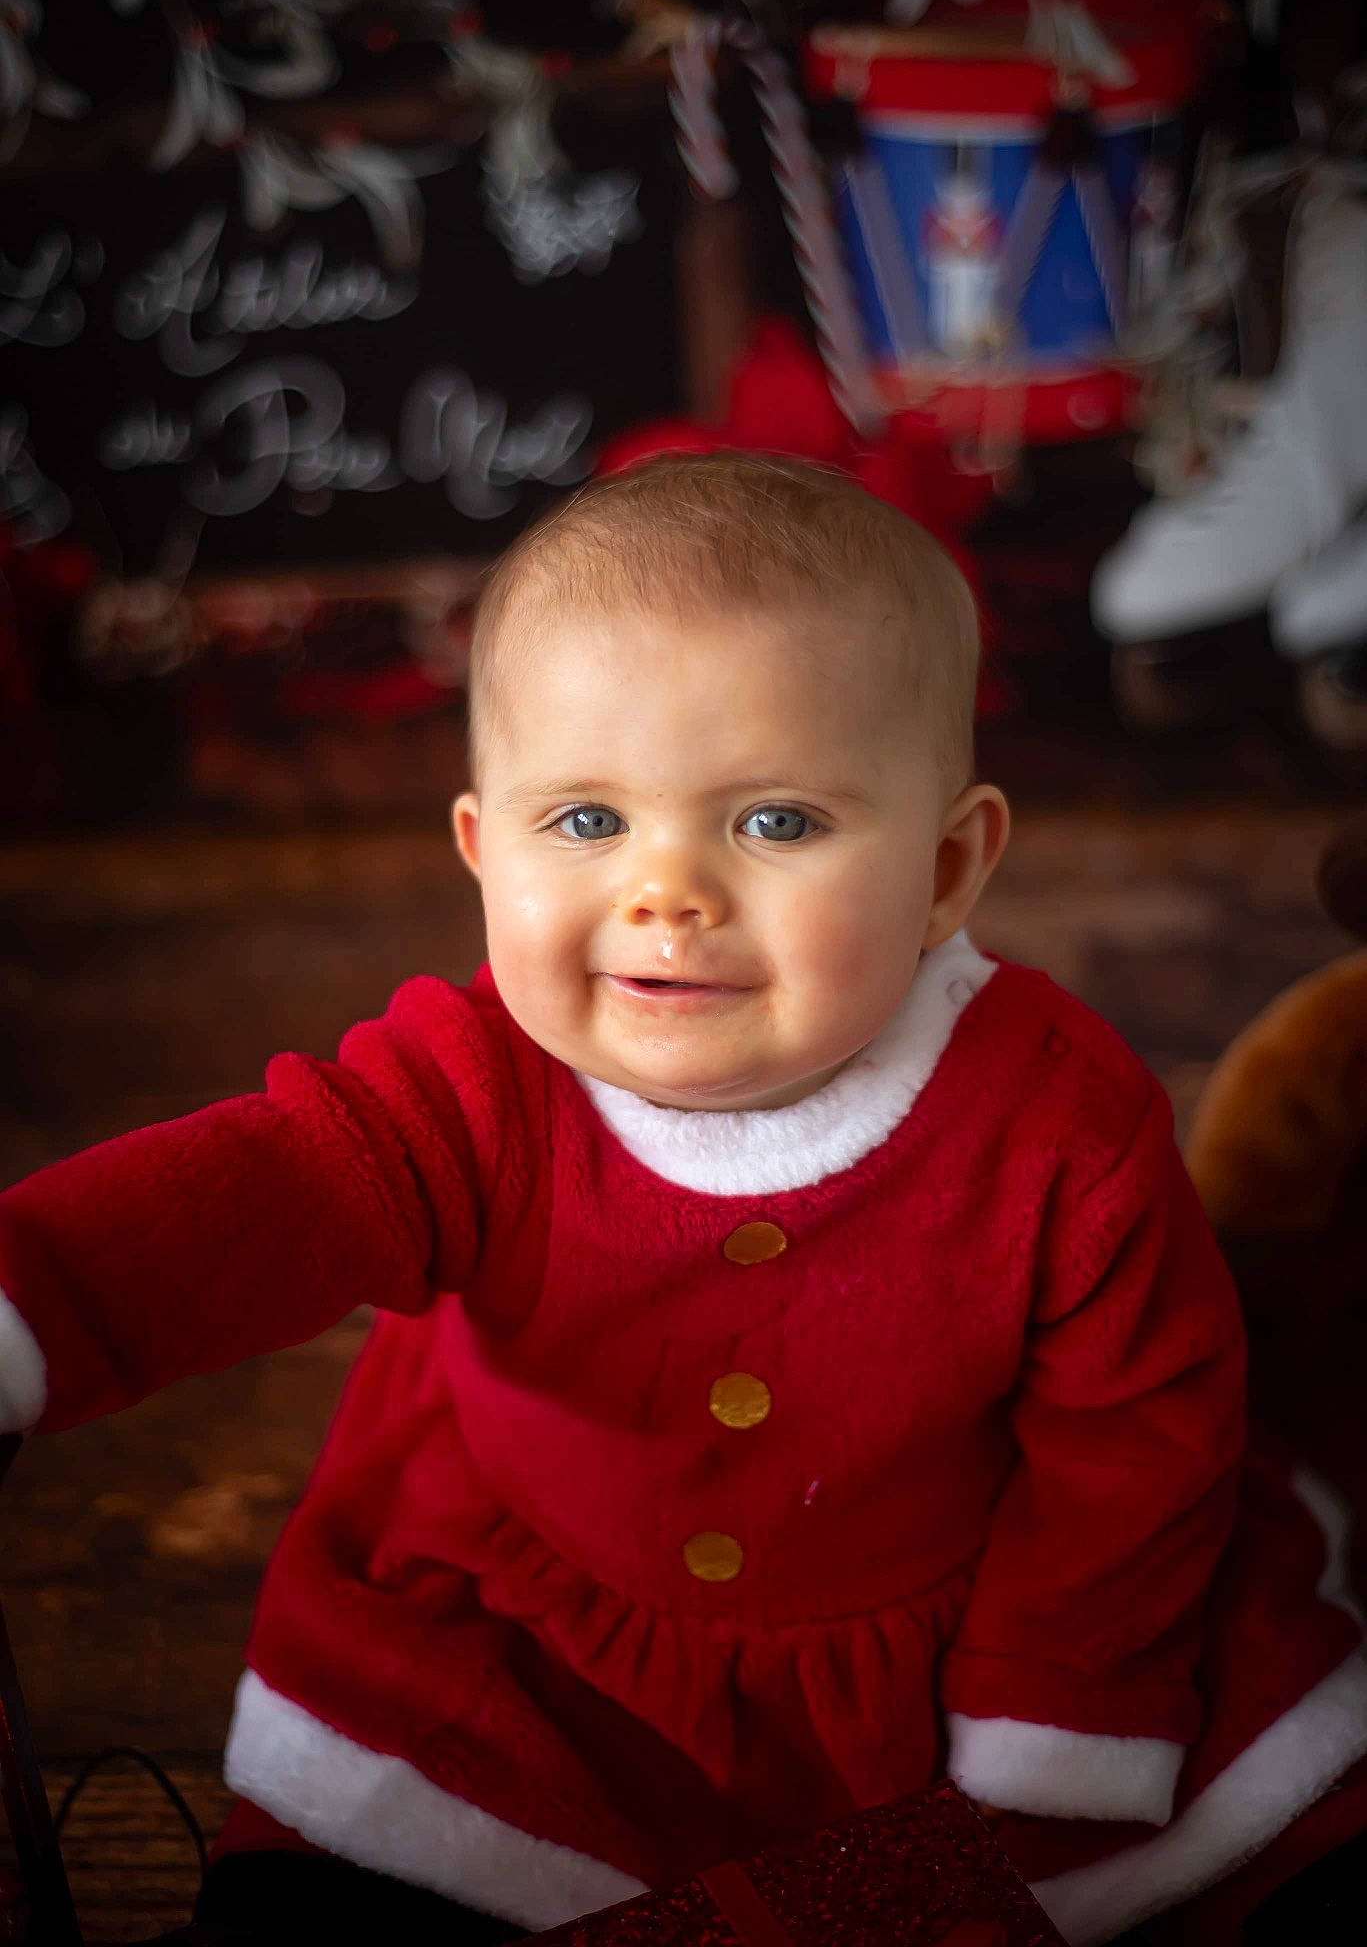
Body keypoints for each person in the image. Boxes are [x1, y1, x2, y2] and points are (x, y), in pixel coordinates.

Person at [2, 453, 1365, 1947]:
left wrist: (1054, 1710)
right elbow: (255, 1194)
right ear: (482, 851)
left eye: (775, 822)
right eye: (587, 821)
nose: (669, 893)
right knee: (332, 1906)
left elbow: (1139, 1423)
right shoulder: (477, 1087)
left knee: (1264, 1850)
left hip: (955, 1633)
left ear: (945, 870)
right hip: (542, 1644)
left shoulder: (1056, 1121)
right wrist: (29, 1305)